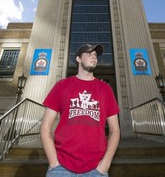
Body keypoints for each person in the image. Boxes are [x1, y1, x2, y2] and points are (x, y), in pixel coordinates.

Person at [40, 44, 120, 176]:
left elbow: (115, 130)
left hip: (96, 168)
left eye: (95, 55)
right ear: (78, 59)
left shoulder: (106, 89)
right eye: (89, 54)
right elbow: (46, 126)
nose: (94, 57)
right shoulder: (62, 86)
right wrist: (54, 162)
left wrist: (105, 164)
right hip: (61, 167)